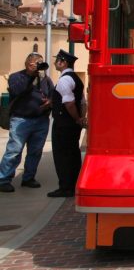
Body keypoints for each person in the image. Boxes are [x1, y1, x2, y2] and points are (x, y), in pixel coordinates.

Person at [0, 53, 55, 193]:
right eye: (35, 63)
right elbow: (16, 90)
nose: (38, 66)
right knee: (14, 151)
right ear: (27, 64)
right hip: (21, 120)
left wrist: (50, 101)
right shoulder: (17, 77)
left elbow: (53, 94)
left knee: (35, 152)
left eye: (40, 63)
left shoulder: (45, 79)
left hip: (41, 120)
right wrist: (30, 75)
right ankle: (3, 179)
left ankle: (28, 178)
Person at [48, 49, 86, 198]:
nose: (55, 63)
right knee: (73, 154)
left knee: (62, 155)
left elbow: (69, 103)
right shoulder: (76, 79)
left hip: (64, 123)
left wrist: (76, 118)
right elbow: (82, 102)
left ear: (63, 62)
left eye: (58, 60)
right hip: (72, 124)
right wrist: (81, 118)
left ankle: (65, 187)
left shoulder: (64, 80)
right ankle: (74, 183)